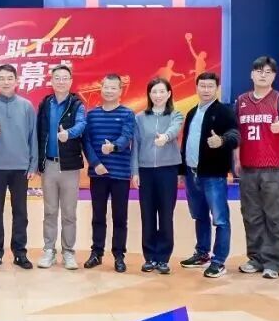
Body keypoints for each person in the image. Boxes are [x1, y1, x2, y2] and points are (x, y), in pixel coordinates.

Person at [235, 56, 279, 279]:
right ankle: (256, 258)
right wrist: (236, 161)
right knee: (251, 215)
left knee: (275, 216)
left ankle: (274, 262)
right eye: (259, 71)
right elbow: (236, 134)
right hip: (248, 168)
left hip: (275, 169)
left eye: (268, 72)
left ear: (274, 76)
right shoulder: (241, 101)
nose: (263, 75)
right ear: (251, 74)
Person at [179, 72, 239, 278]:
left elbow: (234, 135)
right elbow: (186, 142)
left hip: (213, 175)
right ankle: (202, 253)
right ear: (196, 88)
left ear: (217, 89)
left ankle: (219, 260)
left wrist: (222, 140)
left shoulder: (224, 112)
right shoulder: (191, 112)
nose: (206, 90)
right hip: (191, 173)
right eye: (202, 86)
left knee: (220, 219)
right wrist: (182, 170)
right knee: (200, 215)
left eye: (210, 86)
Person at [0, 64, 39, 270]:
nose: (6, 82)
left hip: (20, 167)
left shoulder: (26, 106)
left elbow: (33, 136)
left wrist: (33, 164)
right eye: (2, 78)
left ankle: (20, 253)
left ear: (16, 81)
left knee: (20, 212)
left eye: (9, 78)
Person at [82, 74, 136, 273]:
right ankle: (96, 253)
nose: (109, 91)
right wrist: (95, 163)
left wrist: (113, 147)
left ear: (120, 91)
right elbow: (86, 141)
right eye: (106, 87)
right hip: (98, 174)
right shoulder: (91, 115)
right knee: (98, 216)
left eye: (114, 88)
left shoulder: (127, 114)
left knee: (120, 217)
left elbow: (126, 137)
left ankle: (119, 255)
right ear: (101, 88)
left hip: (120, 174)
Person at [35, 65, 86, 270]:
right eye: (57, 78)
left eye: (65, 78)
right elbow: (38, 132)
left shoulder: (77, 104)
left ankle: (68, 252)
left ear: (71, 81)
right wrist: (37, 161)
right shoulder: (45, 103)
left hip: (69, 167)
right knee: (49, 211)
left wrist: (69, 134)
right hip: (48, 165)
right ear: (52, 81)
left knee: (69, 212)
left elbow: (82, 124)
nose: (61, 81)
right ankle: (49, 250)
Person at [134, 77, 184, 274]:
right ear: (149, 94)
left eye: (162, 91)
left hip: (167, 171)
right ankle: (150, 257)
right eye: (154, 92)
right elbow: (135, 146)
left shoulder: (175, 115)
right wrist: (135, 171)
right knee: (147, 215)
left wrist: (165, 137)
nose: (158, 95)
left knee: (165, 215)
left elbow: (174, 129)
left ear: (169, 93)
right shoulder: (139, 118)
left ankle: (163, 258)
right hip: (145, 171)